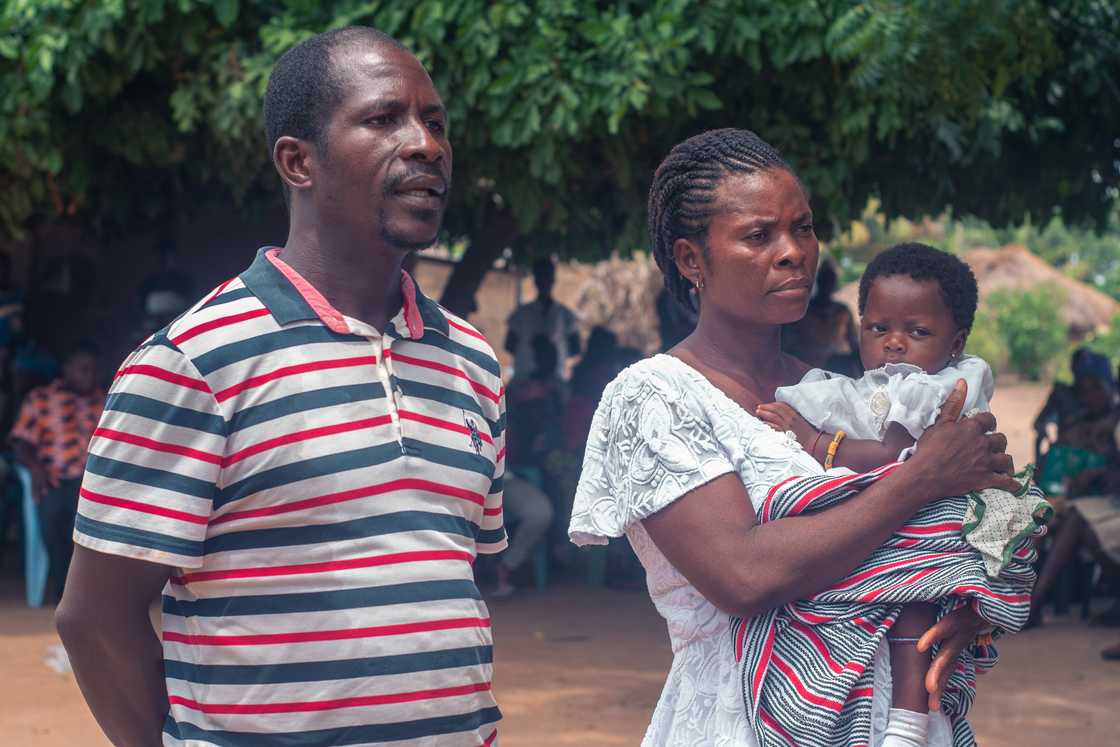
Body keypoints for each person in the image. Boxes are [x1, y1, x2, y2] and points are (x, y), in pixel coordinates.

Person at [55, 28, 507, 746]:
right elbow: (95, 619)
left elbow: (440, 585)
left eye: (435, 122)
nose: (426, 145)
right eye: (384, 118)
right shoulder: (194, 363)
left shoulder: (472, 362)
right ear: (298, 161)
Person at [570, 129, 1018, 747]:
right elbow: (743, 576)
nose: (794, 253)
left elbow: (965, 517)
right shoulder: (655, 396)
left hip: (901, 720)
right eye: (759, 236)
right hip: (743, 720)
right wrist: (921, 477)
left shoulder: (831, 393)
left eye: (803, 228)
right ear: (691, 260)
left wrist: (965, 601)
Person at [757, 243, 1048, 746]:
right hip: (908, 506)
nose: (894, 344)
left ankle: (908, 723)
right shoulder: (863, 387)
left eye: (917, 332)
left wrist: (815, 442)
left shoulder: (940, 386)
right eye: (878, 328)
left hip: (945, 518)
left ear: (956, 341)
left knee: (914, 596)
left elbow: (895, 455)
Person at [10, 341, 104, 602]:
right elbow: (20, 441)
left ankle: (88, 592)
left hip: (93, 482)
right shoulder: (41, 398)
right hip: (54, 478)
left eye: (93, 370)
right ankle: (65, 589)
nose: (88, 375)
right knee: (53, 522)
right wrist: (35, 468)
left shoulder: (105, 401)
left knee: (93, 528)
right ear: (66, 369)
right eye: (82, 369)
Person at [496, 335, 562, 596]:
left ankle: (507, 566)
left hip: (507, 479)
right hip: (463, 486)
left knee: (540, 511)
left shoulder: (533, 400)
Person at [782, 258, 861, 376]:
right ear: (819, 281)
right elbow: (787, 343)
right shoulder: (803, 310)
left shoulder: (842, 311)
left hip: (836, 368)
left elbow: (853, 342)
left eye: (830, 280)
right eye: (825, 280)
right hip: (805, 368)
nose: (828, 284)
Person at [505, 257, 580, 379]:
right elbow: (509, 344)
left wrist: (551, 355)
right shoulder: (521, 313)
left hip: (555, 378)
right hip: (525, 378)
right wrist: (529, 353)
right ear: (535, 280)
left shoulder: (565, 314)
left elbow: (575, 347)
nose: (544, 282)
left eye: (547, 277)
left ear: (553, 280)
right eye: (541, 277)